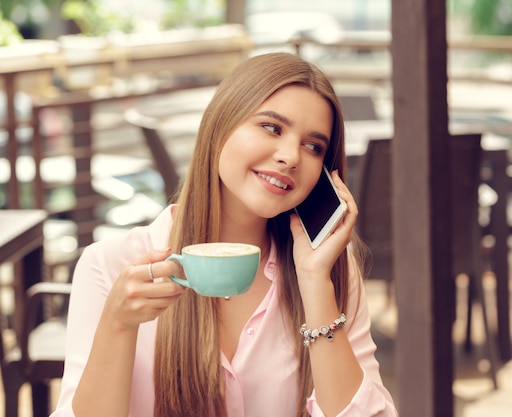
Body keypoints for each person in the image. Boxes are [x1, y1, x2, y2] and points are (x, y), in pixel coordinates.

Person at [51, 52, 398, 417]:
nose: (291, 156)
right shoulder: (111, 266)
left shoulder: (329, 272)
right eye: (272, 127)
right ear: (220, 125)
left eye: (313, 146)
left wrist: (315, 285)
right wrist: (117, 325)